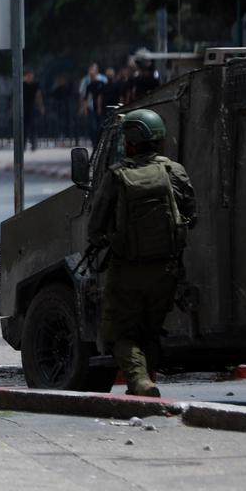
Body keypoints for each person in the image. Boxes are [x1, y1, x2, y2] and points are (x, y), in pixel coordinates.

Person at [86, 109, 197, 397]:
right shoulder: (175, 171)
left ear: (130, 143)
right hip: (166, 270)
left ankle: (139, 381)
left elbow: (94, 228)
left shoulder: (117, 176)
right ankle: (148, 380)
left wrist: (109, 238)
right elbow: (191, 216)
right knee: (150, 329)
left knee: (119, 333)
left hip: (127, 270)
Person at [79, 62, 107, 147]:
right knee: (92, 126)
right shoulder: (86, 80)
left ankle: (101, 142)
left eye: (93, 69)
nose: (91, 71)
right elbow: (83, 95)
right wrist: (83, 108)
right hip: (90, 106)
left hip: (102, 106)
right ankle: (94, 142)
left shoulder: (103, 79)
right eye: (90, 70)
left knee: (101, 124)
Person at [21, 69, 45, 151]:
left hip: (32, 107)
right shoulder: (22, 84)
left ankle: (33, 144)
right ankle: (23, 145)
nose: (30, 77)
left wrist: (41, 106)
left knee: (33, 126)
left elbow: (39, 96)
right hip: (23, 108)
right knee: (23, 127)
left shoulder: (35, 85)